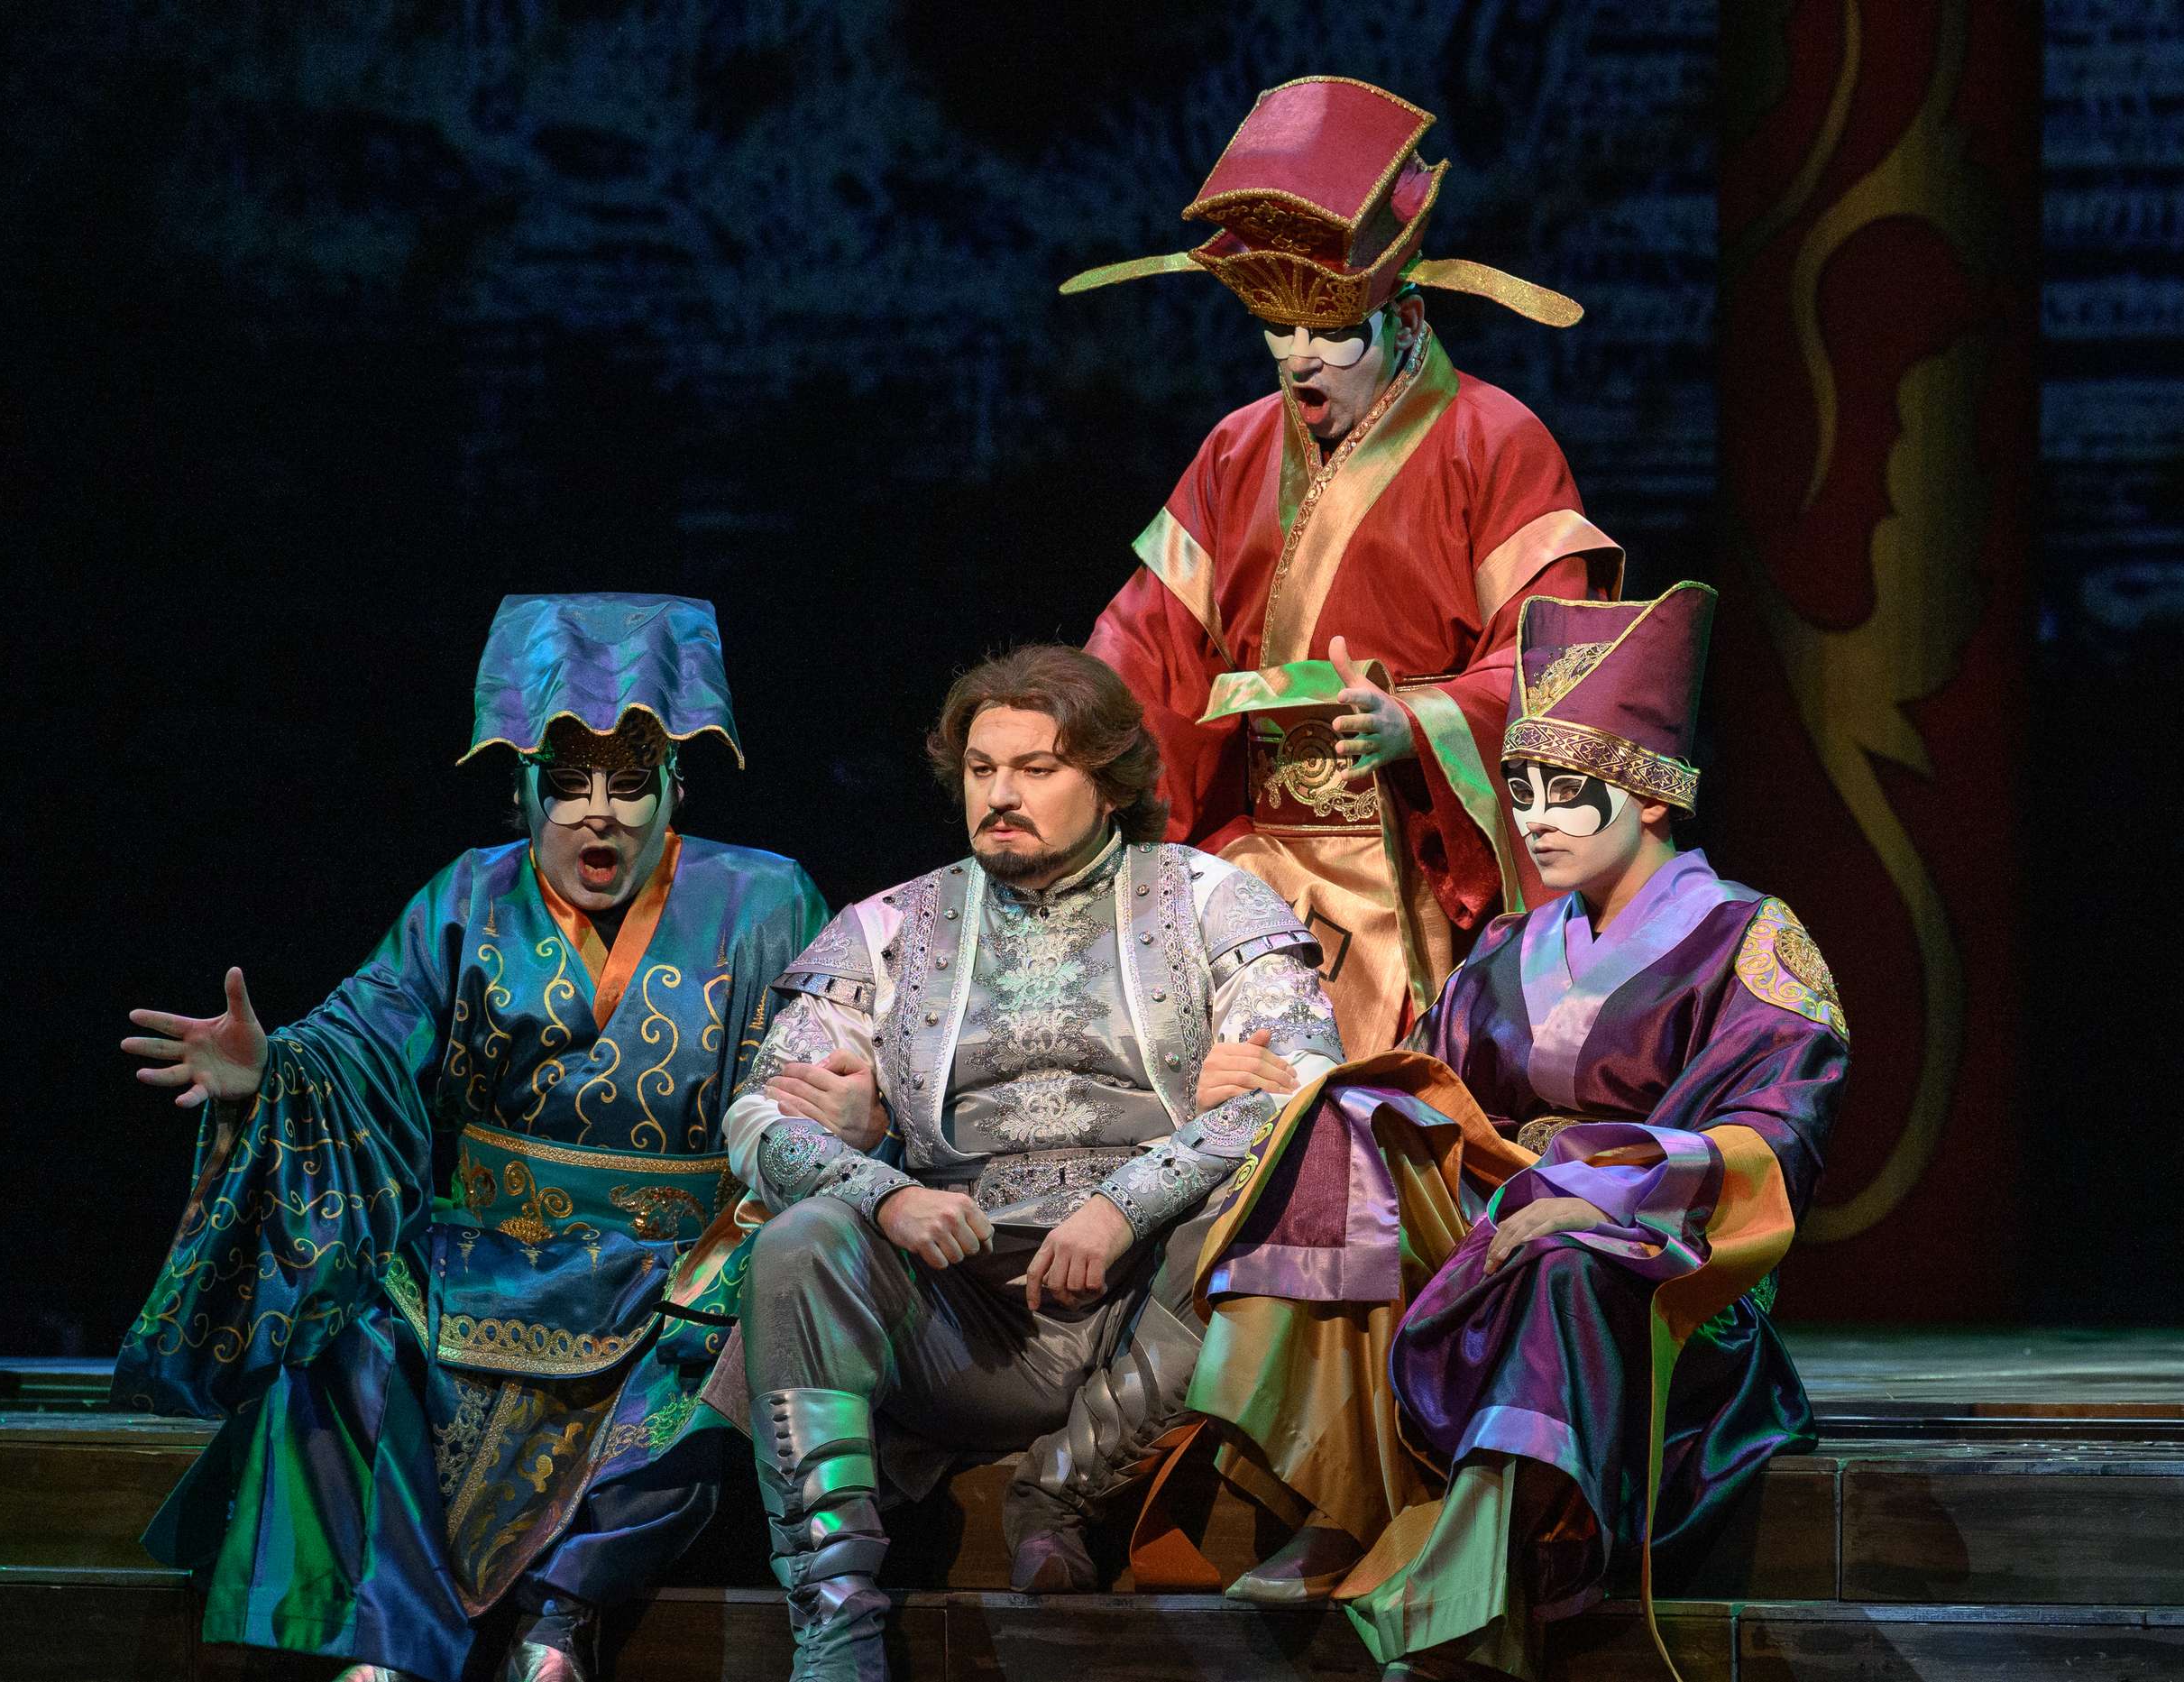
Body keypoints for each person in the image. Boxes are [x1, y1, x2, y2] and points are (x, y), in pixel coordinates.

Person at [113, 594, 838, 1682]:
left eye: (630, 782)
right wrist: (276, 1068)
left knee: (711, 1376)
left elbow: (814, 1075)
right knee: (347, 1346)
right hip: (481, 1258)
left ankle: (560, 1616)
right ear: (523, 790)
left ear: (676, 786)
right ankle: (389, 1647)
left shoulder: (766, 898)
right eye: (569, 784)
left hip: (676, 1270)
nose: (600, 816)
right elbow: (363, 1036)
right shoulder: (466, 895)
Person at [1182, 584, 1846, 1680]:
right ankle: (1340, 1490)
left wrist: (1581, 1194)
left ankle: (1472, 1576)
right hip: (1495, 1226)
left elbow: (1775, 1134)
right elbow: (1429, 1092)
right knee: (1343, 1120)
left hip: (1654, 1263)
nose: (1532, 817)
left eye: (1565, 792)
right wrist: (1295, 1081)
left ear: (1652, 796)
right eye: (1522, 788)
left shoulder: (1751, 937)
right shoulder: (1507, 945)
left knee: (1559, 1262)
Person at [711, 645, 1344, 1680]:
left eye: (1037, 768)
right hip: (961, 1313)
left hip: (1151, 1295)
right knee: (802, 1239)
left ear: (1111, 782)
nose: (1000, 794)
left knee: (1277, 1190)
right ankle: (832, 1615)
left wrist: (1121, 1205)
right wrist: (886, 1192)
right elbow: (757, 1118)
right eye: (981, 768)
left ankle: (1059, 1491)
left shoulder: (1213, 899)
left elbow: (1304, 1082)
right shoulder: (887, 925)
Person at [1065, 74, 1626, 1057]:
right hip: (1248, 859)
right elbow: (1149, 641)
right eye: (1279, 333)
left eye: (1332, 333)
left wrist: (1424, 721)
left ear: (1403, 318)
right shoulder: (1236, 448)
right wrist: (1069, 735)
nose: (1300, 360)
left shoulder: (1493, 441)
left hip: (1420, 856)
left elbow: (1555, 663)